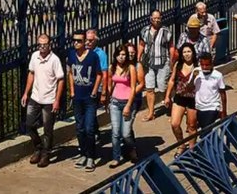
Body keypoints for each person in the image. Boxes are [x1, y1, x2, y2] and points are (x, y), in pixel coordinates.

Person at [20, 33, 64, 168]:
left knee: (47, 129)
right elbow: (31, 74)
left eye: (44, 45)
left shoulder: (54, 60)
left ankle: (45, 153)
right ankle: (38, 147)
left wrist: (57, 100)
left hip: (49, 99)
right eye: (40, 45)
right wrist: (26, 93)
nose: (42, 47)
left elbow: (60, 80)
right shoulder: (35, 56)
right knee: (29, 125)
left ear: (49, 45)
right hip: (35, 97)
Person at [67, 30, 103, 171]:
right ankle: (83, 153)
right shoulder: (71, 55)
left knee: (89, 128)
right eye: (74, 40)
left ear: (84, 43)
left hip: (89, 98)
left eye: (79, 41)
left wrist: (95, 91)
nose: (76, 43)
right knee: (79, 128)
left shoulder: (93, 57)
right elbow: (70, 72)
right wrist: (72, 91)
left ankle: (91, 157)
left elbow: (99, 74)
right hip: (77, 97)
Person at [106, 43, 144, 167]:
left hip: (128, 102)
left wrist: (128, 105)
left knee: (126, 133)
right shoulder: (112, 67)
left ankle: (132, 148)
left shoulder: (131, 68)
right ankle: (116, 157)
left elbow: (134, 87)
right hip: (115, 103)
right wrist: (108, 100)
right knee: (115, 132)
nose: (121, 57)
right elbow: (110, 85)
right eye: (119, 54)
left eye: (124, 55)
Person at [164, 42, 199, 157]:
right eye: (184, 52)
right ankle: (181, 144)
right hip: (179, 97)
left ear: (193, 53)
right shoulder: (178, 64)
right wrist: (167, 96)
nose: (187, 54)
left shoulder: (197, 66)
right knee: (174, 123)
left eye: (189, 51)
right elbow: (172, 80)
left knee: (191, 126)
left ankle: (192, 148)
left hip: (193, 99)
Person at [137, 10, 174, 121]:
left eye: (158, 18)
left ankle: (171, 107)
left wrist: (171, 60)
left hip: (163, 63)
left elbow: (171, 46)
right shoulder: (145, 31)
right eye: (155, 18)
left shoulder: (166, 31)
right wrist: (138, 57)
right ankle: (151, 113)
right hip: (149, 64)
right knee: (149, 88)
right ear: (151, 19)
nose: (157, 20)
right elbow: (142, 44)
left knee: (163, 87)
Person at [192, 52, 227, 133]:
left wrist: (224, 111)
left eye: (207, 65)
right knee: (204, 130)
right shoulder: (196, 72)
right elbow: (190, 88)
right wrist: (193, 77)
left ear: (211, 63)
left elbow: (222, 93)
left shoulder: (218, 75)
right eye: (202, 65)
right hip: (199, 107)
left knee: (206, 131)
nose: (204, 67)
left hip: (212, 107)